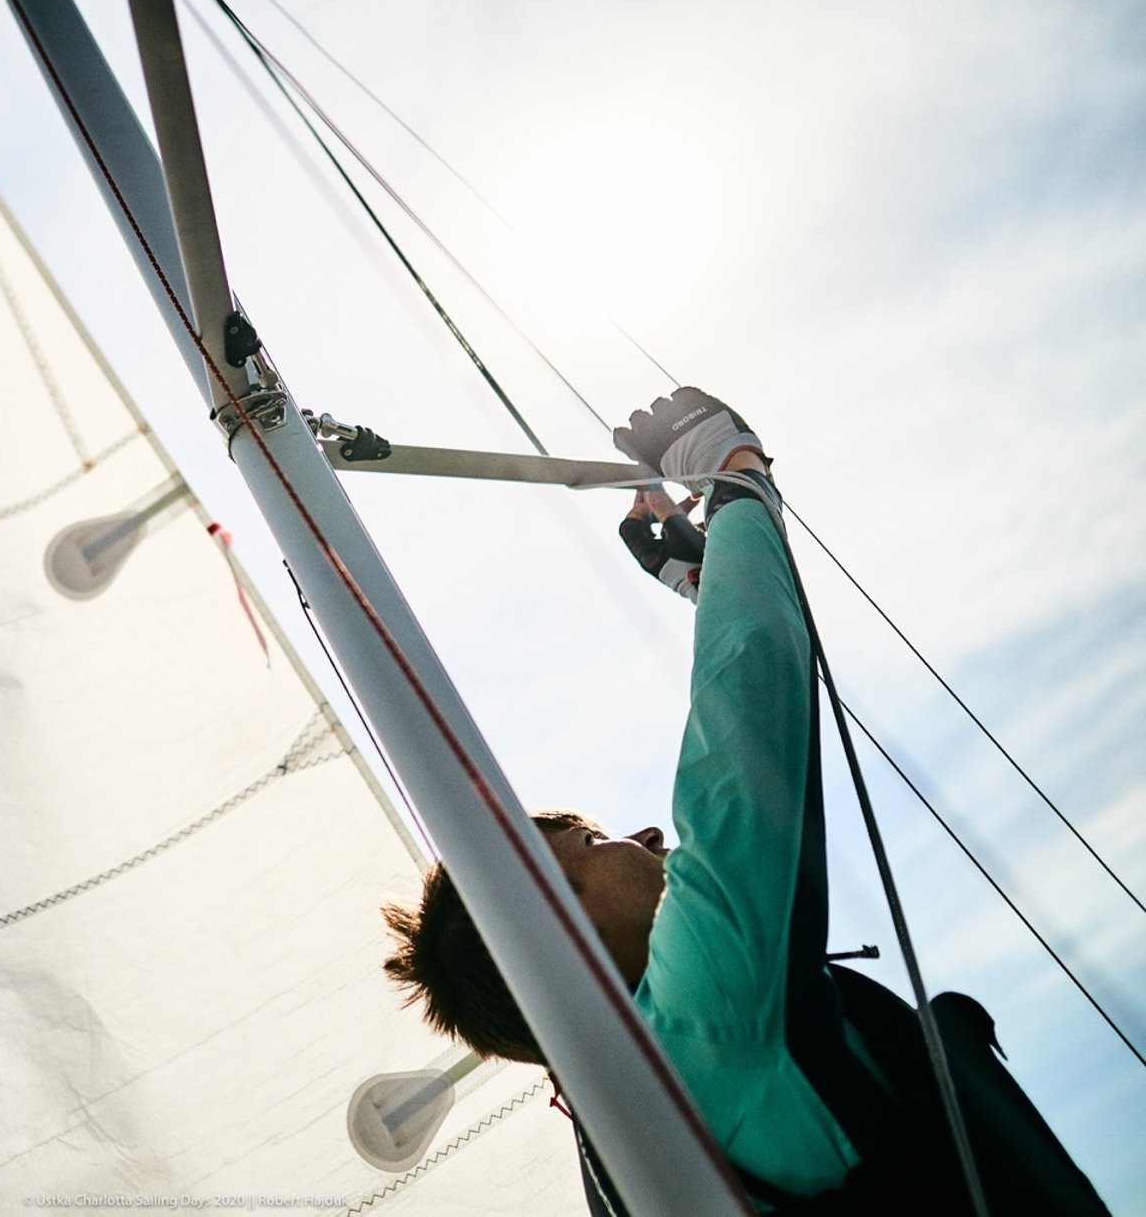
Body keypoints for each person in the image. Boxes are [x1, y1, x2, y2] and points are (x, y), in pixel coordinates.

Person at [381, 388, 1108, 1214]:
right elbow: (748, 689)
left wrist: (705, 578)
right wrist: (737, 477)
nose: (649, 833)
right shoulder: (698, 1012)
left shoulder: (626, 1142)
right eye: (591, 844)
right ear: (560, 918)